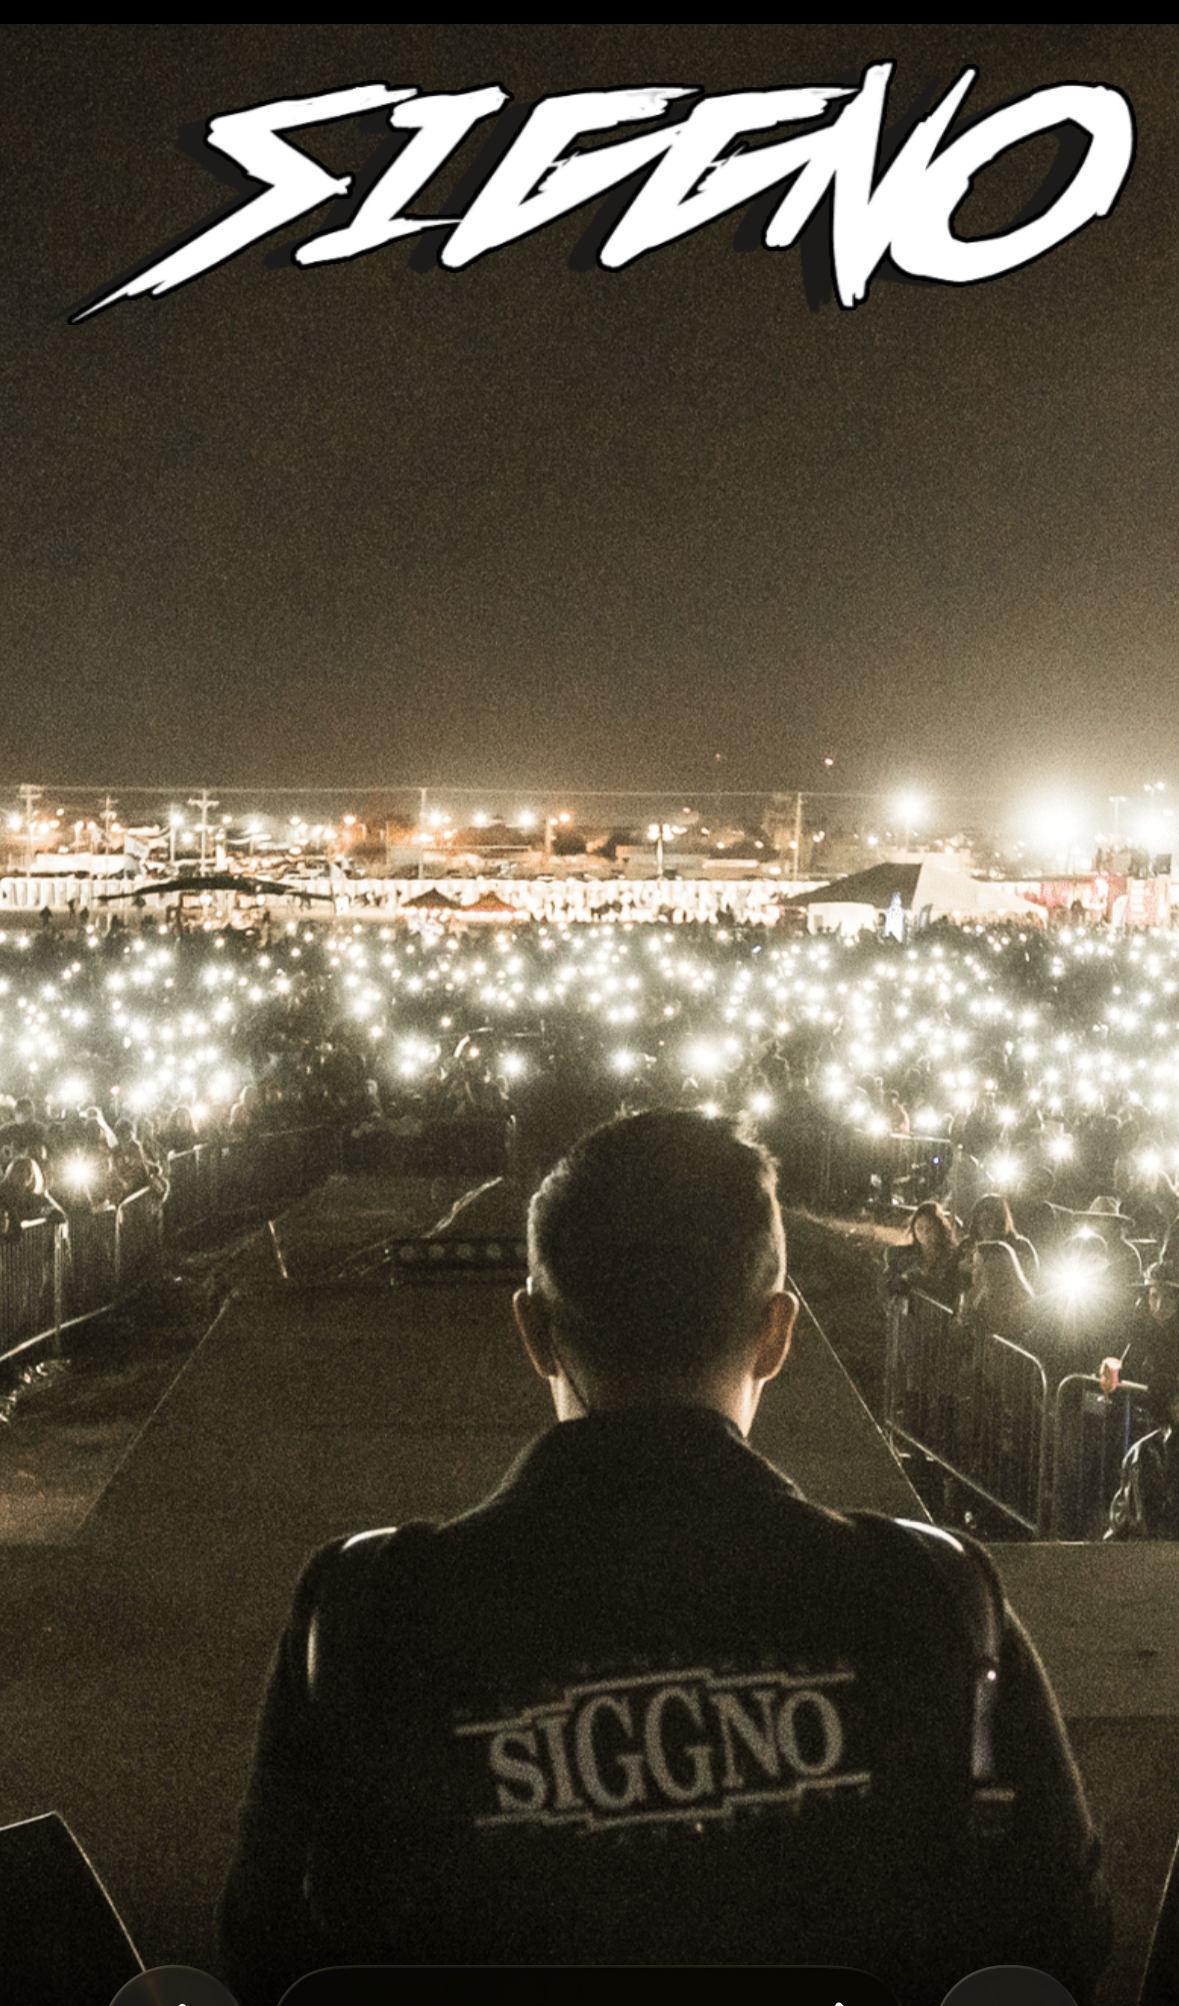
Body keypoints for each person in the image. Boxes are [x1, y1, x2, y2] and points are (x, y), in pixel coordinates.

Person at [217, 1111, 1109, 2001]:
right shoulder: (938, 1597)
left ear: (535, 1333)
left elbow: (269, 1950)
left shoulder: (365, 1610)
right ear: (776, 1333)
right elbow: (1060, 1938)